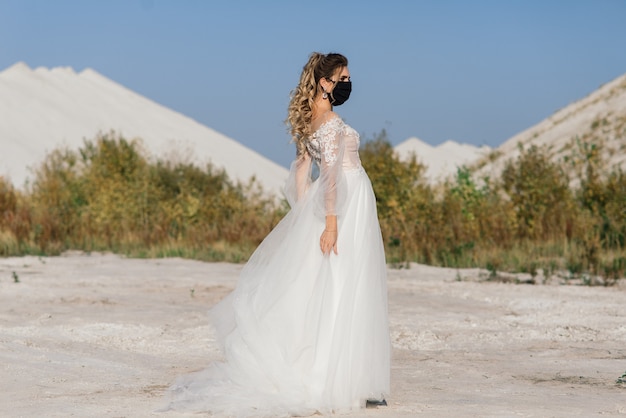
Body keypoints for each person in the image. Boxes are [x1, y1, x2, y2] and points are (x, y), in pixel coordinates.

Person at [163, 52, 390, 417]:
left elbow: (302, 172)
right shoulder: (329, 122)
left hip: (337, 202)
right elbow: (330, 175)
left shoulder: (310, 121)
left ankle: (344, 375)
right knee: (344, 283)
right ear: (324, 82)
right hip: (344, 204)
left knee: (332, 285)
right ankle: (334, 379)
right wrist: (329, 223)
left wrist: (304, 215)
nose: (348, 82)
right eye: (342, 77)